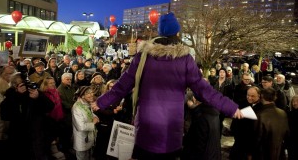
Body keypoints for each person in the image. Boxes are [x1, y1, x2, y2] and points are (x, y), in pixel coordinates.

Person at [91, 12, 242, 160]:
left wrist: (101, 102)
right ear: (177, 32)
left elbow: (122, 85)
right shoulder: (185, 59)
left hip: (146, 128)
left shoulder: (143, 56)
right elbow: (204, 91)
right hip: (171, 130)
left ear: (160, 32)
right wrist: (231, 107)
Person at [0, 72, 54, 160]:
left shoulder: (33, 91)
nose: (24, 86)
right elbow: (5, 115)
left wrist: (38, 98)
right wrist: (17, 95)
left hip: (36, 133)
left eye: (25, 83)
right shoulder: (10, 95)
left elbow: (50, 107)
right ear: (14, 86)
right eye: (20, 84)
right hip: (19, 135)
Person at [252, 87, 289, 160]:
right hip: (279, 151)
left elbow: (257, 137)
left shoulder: (260, 115)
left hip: (263, 153)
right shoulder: (283, 113)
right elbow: (287, 133)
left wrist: (251, 153)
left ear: (262, 97)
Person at [182, 92, 221, 160]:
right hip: (213, 155)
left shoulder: (201, 118)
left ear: (194, 99)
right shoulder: (213, 112)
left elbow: (196, 146)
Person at [230, 86, 263, 160]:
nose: (249, 98)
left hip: (251, 145)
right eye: (248, 95)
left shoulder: (262, 108)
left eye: (253, 96)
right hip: (239, 141)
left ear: (259, 95)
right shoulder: (241, 103)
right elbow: (235, 122)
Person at [93, 79, 122, 160]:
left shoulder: (119, 98)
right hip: (104, 124)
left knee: (111, 144)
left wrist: (120, 109)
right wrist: (113, 111)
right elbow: (99, 111)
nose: (112, 89)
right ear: (107, 87)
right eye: (110, 86)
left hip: (114, 124)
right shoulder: (102, 98)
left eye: (114, 87)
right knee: (101, 144)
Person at [40, 77, 66, 159]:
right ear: (46, 85)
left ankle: (59, 149)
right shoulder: (44, 94)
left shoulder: (56, 91)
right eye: (50, 83)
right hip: (51, 120)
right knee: (52, 138)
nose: (53, 84)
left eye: (53, 82)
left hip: (59, 117)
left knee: (59, 135)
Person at [72, 86, 99, 160]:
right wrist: (93, 123)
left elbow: (89, 113)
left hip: (89, 137)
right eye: (88, 93)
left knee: (88, 156)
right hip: (82, 139)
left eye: (91, 92)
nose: (91, 95)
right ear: (82, 96)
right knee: (82, 157)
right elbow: (81, 127)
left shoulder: (86, 103)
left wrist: (95, 116)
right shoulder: (77, 107)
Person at [287, 95, 298, 160]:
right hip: (291, 141)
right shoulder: (289, 114)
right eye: (293, 101)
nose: (295, 103)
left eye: (297, 101)